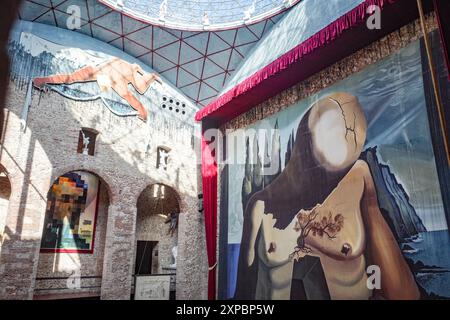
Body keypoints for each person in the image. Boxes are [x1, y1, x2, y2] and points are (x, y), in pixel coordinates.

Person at [235, 92, 420, 300]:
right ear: (305, 139)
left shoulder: (357, 178)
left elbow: (397, 285)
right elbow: (244, 289)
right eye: (337, 129)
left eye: (352, 133)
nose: (349, 135)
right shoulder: (260, 206)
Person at [33, 57, 161, 121]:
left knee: (72, 77)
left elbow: (139, 89)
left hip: (105, 73)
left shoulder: (128, 72)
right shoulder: (128, 72)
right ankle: (42, 81)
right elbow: (139, 89)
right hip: (107, 75)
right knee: (127, 95)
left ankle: (42, 80)